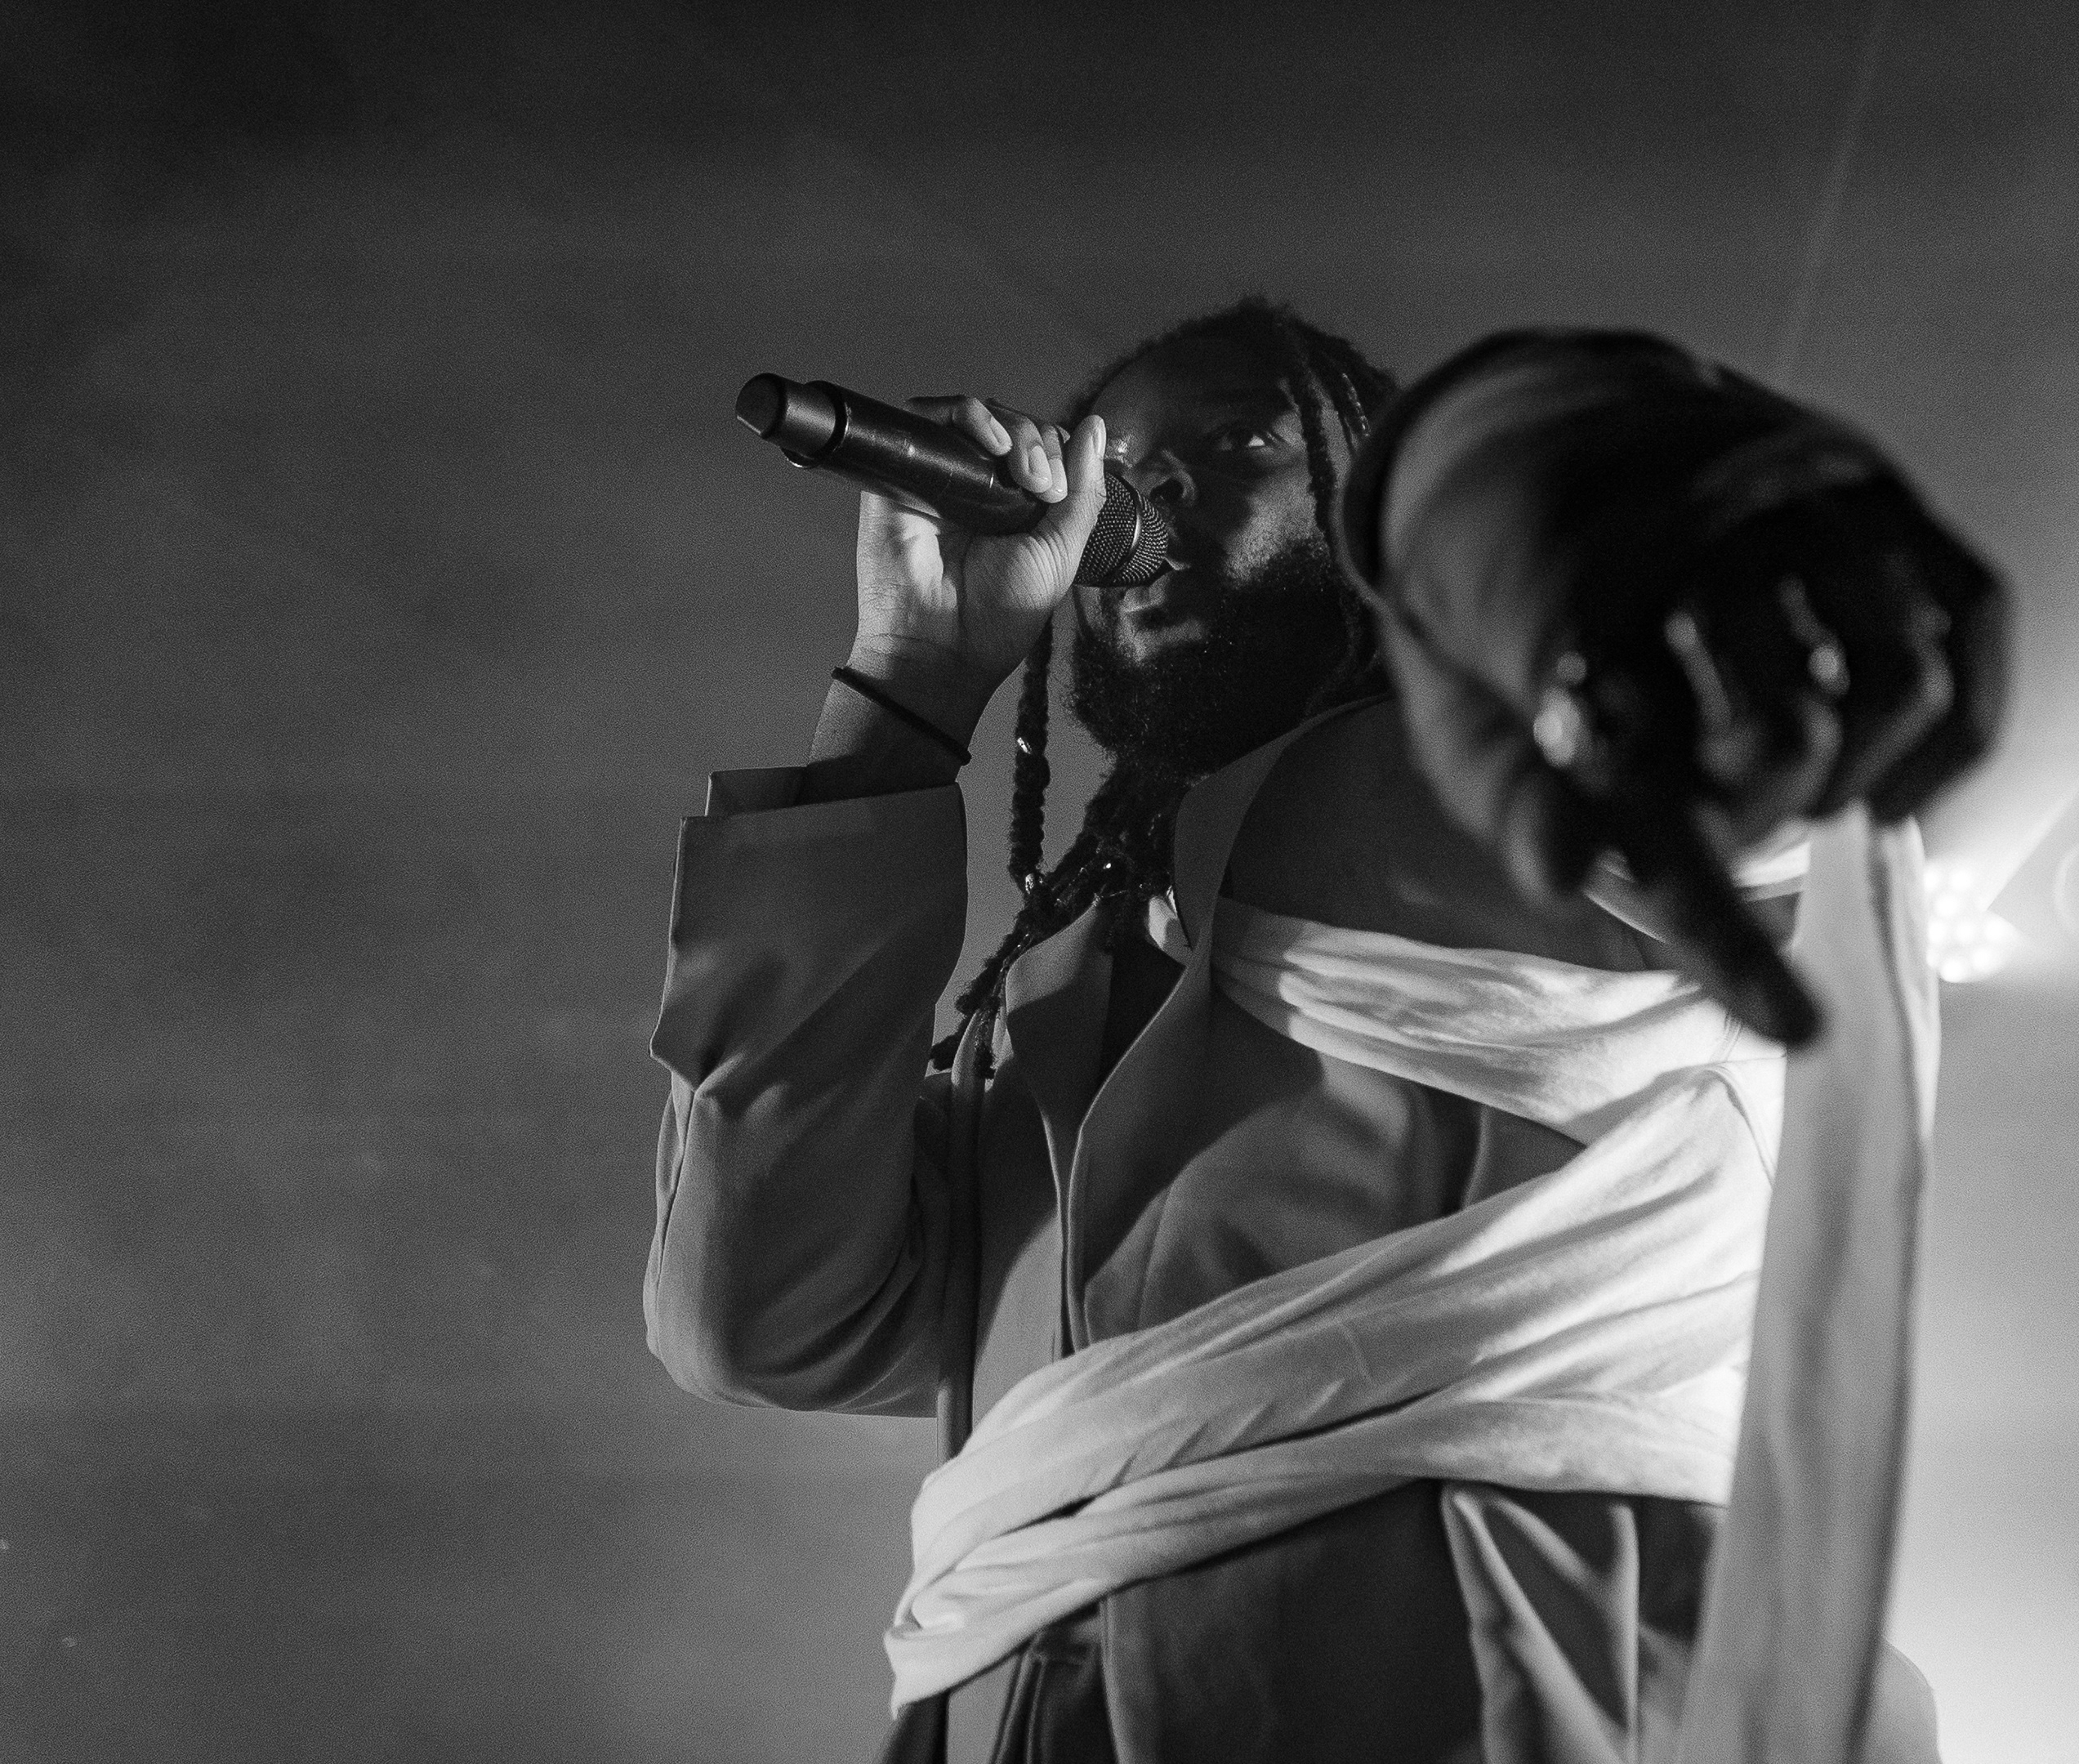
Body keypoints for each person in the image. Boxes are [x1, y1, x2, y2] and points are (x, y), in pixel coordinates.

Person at [646, 298, 2002, 1762]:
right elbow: (757, 1321)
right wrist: (907, 691)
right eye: (1118, 456)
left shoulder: (1500, 801)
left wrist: (1540, 491)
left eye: (1240, 439)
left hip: (1528, 1689)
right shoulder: (1055, 1008)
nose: (1147, 483)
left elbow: (1726, 740)